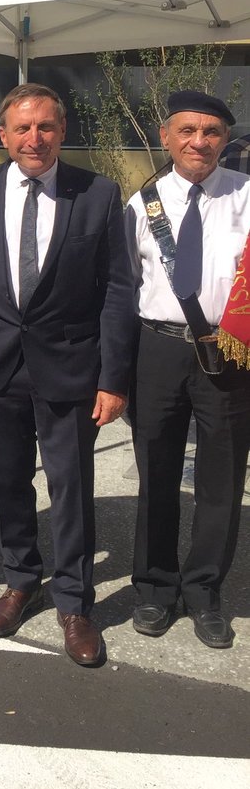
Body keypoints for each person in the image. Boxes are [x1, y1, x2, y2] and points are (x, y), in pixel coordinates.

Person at [0, 83, 133, 666]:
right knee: (5, 481)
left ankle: (75, 602)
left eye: (46, 127)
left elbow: (118, 288)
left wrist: (114, 377)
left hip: (71, 366)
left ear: (62, 130)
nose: (35, 139)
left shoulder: (99, 194)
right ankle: (21, 580)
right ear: (3, 136)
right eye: (22, 128)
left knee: (71, 487)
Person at [127, 89, 250, 649]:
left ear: (225, 139)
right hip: (158, 348)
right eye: (187, 131)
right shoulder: (139, 204)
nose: (199, 141)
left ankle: (204, 593)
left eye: (211, 132)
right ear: (166, 136)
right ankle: (155, 587)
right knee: (155, 472)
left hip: (228, 353)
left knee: (221, 479)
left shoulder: (247, 195)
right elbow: (121, 287)